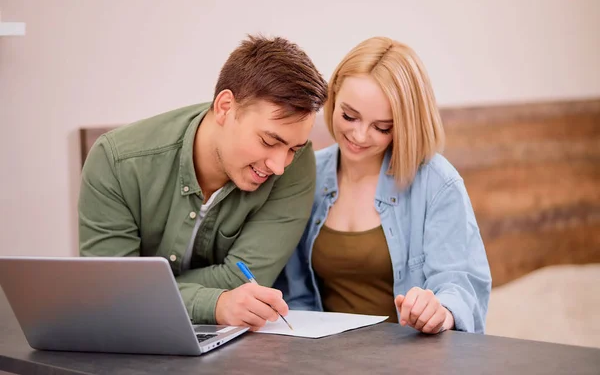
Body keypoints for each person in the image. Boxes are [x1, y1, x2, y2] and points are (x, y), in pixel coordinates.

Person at [79, 35, 328, 330]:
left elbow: (244, 279)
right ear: (225, 107)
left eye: (292, 149)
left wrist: (140, 290)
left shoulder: (296, 164)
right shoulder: (117, 161)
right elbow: (112, 292)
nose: (278, 166)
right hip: (128, 337)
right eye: (268, 141)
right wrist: (216, 303)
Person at [275, 37, 492, 334]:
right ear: (333, 96)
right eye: (349, 116)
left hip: (411, 360)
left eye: (382, 127)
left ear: (405, 124)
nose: (360, 135)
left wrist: (440, 311)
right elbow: (294, 292)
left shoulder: (437, 183)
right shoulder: (305, 174)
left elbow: (459, 285)